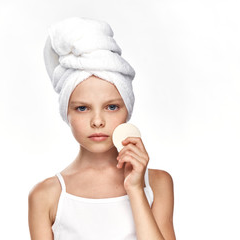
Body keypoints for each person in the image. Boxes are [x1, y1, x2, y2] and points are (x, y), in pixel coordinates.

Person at [28, 17, 176, 240]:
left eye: (112, 106)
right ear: (66, 112)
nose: (98, 121)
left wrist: (135, 190)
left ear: (127, 109)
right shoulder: (46, 195)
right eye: (82, 108)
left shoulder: (157, 184)